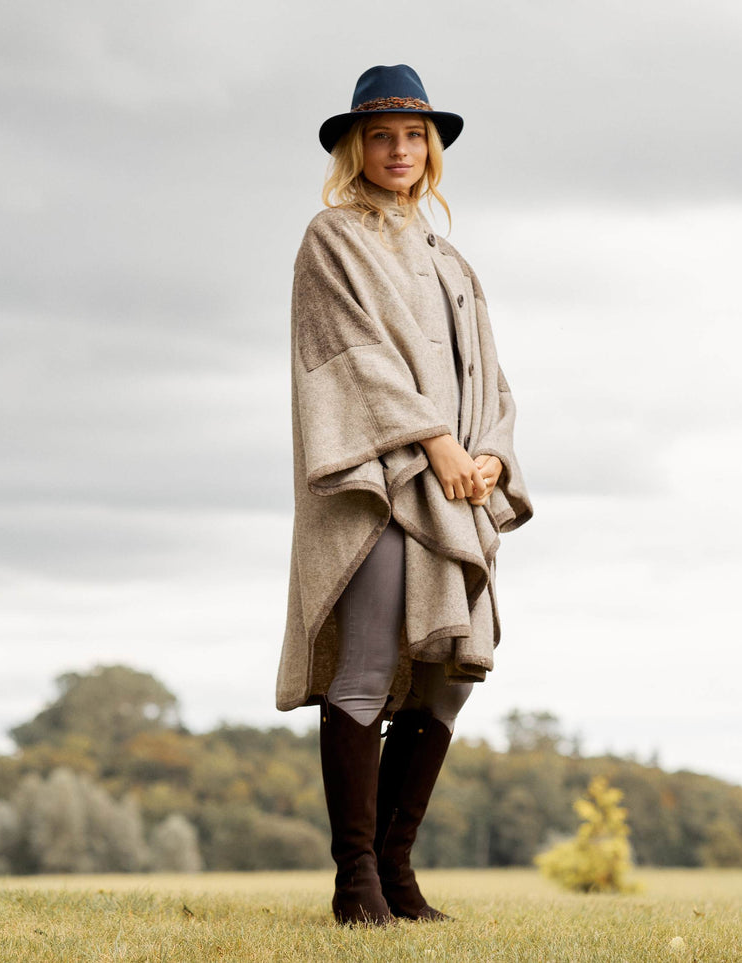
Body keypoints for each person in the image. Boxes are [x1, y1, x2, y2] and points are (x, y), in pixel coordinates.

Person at [275, 64, 535, 927]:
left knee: (445, 680)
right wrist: (433, 443)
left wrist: (489, 455)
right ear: (356, 146)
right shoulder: (332, 237)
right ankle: (355, 881)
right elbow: (351, 357)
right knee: (365, 667)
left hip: (458, 484)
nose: (398, 150)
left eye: (413, 136)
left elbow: (489, 378)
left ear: (431, 150)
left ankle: (397, 870)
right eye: (382, 135)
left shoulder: (451, 259)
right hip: (379, 482)